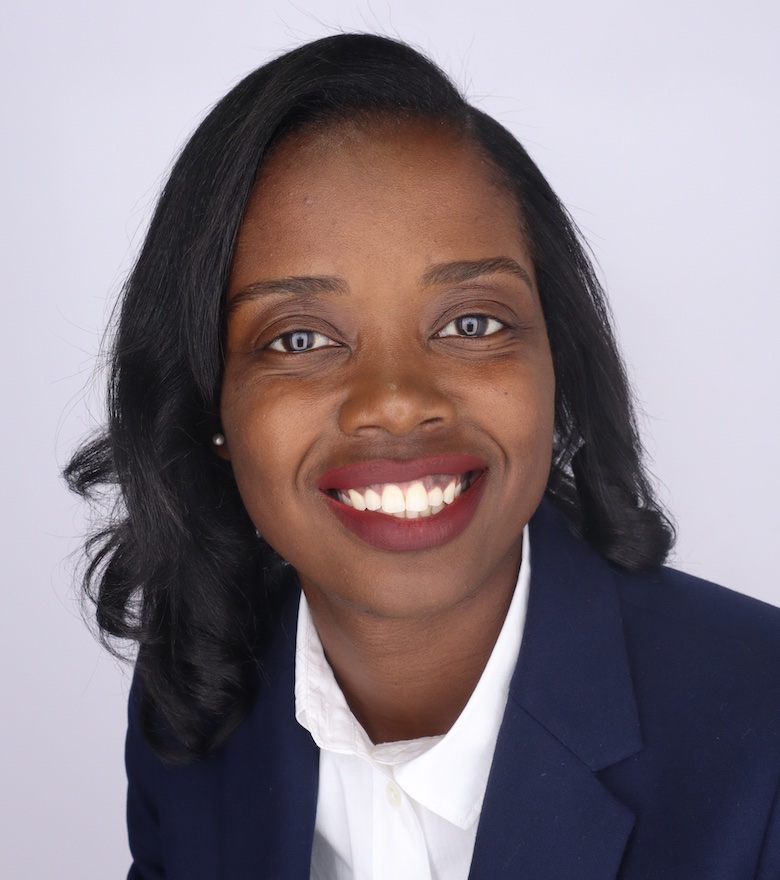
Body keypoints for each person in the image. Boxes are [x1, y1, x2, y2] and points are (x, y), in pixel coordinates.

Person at [65, 33, 780, 880]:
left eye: (471, 323)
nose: (397, 400)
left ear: (557, 363)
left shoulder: (761, 730)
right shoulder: (192, 710)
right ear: (207, 405)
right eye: (298, 338)